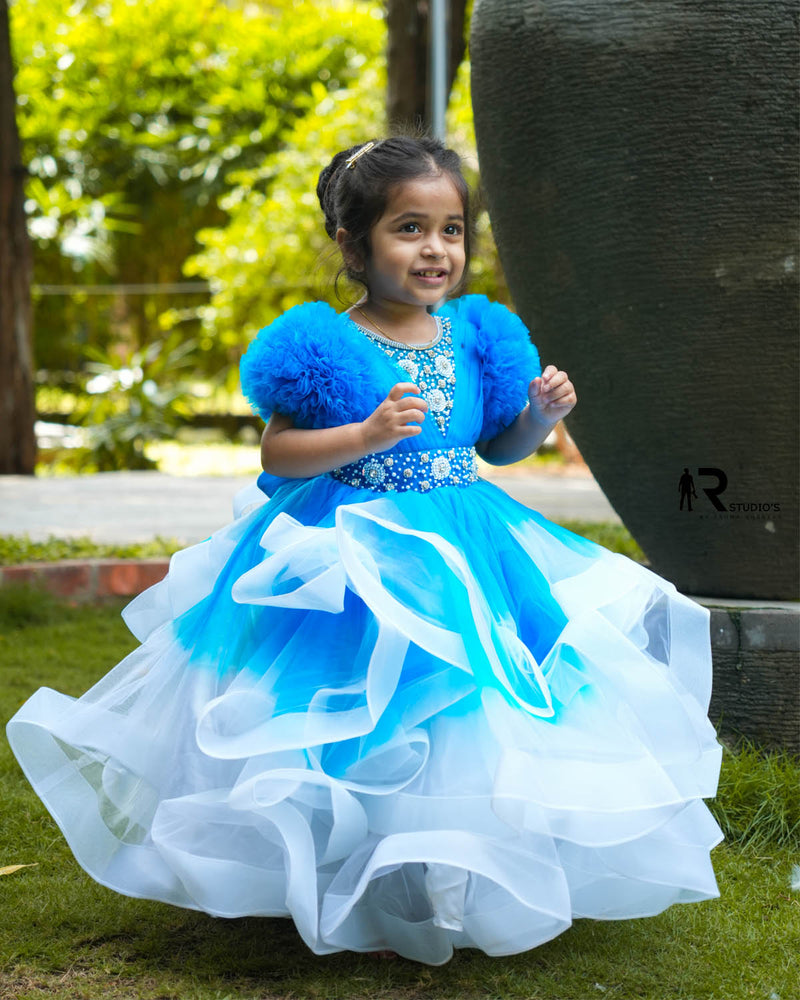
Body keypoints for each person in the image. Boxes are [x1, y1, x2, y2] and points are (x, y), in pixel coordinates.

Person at [7, 136, 722, 966]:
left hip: (467, 540)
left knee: (467, 701)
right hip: (353, 545)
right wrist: (364, 433)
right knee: (364, 709)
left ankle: (448, 872)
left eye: (451, 231)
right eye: (409, 229)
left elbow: (496, 447)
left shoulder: (476, 336)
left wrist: (535, 415)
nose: (435, 250)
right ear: (353, 244)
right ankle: (350, 862)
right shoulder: (323, 348)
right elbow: (278, 455)